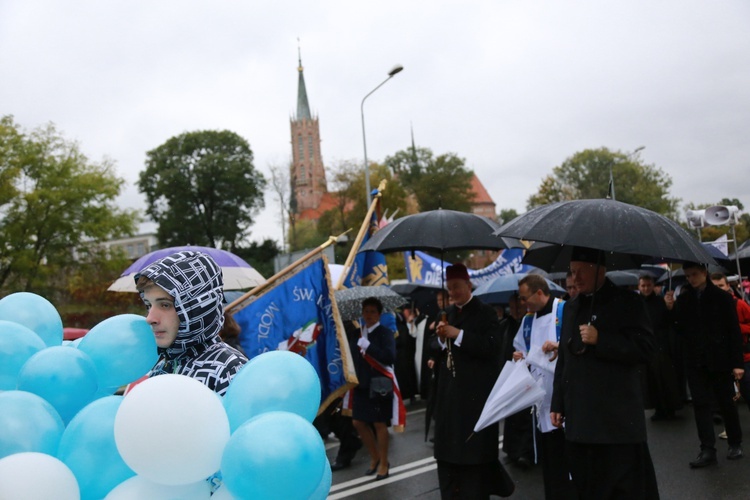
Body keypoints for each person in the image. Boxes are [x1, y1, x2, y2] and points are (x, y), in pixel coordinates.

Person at [550, 246, 659, 499]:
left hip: (616, 423)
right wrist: (558, 402)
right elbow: (564, 359)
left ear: (600, 269)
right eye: (572, 272)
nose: (574, 279)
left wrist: (603, 340)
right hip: (581, 421)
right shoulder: (572, 307)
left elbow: (647, 349)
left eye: (581, 272)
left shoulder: (628, 302)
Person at [433, 263, 513, 499]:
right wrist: (439, 339)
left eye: (457, 287)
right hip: (449, 397)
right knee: (449, 458)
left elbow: (490, 347)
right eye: (450, 289)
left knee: (473, 462)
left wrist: (458, 335)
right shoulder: (445, 313)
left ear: (468, 285)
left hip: (474, 397)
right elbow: (433, 348)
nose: (454, 293)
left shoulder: (485, 312)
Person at [134, 250, 248, 396]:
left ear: (196, 309)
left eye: (165, 305)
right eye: (149, 305)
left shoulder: (230, 369)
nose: (150, 318)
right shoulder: (160, 368)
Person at [666, 262, 744, 467]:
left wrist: (737, 363)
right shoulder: (684, 299)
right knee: (700, 405)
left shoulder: (722, 298)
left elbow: (733, 331)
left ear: (704, 273)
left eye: (694, 274)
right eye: (688, 276)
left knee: (726, 402)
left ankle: (735, 443)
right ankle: (707, 448)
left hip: (719, 358)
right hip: (695, 360)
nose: (691, 279)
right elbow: (678, 329)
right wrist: (670, 310)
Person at [512, 275, 576, 500]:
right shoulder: (528, 321)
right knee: (551, 463)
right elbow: (520, 347)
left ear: (539, 293)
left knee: (570, 463)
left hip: (566, 398)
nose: (522, 303)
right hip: (542, 401)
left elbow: (578, 342)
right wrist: (519, 356)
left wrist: (560, 346)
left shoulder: (564, 310)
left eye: (524, 297)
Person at [349, 297, 396, 480]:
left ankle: (384, 462)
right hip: (361, 384)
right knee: (358, 422)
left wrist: (369, 347)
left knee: (379, 423)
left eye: (372, 312)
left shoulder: (385, 333)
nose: (368, 315)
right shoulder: (357, 333)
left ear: (379, 314)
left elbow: (389, 357)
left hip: (379, 384)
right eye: (366, 311)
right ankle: (375, 456)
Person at [639, 273, 681, 421]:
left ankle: (670, 408)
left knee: (666, 379)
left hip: (661, 344)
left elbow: (670, 321)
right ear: (639, 286)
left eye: (648, 285)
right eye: (643, 286)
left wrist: (670, 308)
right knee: (651, 380)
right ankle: (658, 409)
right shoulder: (637, 303)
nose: (645, 288)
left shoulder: (660, 301)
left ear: (653, 286)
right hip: (646, 345)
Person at [501, 293, 535, 469]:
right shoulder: (506, 324)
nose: (515, 309)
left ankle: (525, 452)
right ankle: (512, 449)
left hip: (526, 373)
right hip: (511, 372)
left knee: (525, 416)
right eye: (512, 306)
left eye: (519, 306)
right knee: (513, 414)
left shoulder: (528, 321)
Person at [711, 272, 750, 412]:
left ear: (728, 286)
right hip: (721, 358)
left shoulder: (739, 304)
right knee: (725, 396)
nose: (718, 289)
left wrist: (737, 327)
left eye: (721, 285)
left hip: (743, 356)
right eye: (715, 286)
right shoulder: (709, 307)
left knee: (747, 390)